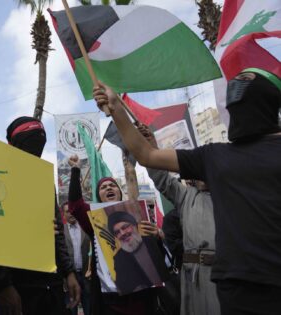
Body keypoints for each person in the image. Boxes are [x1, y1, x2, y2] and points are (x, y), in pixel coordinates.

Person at [93, 68, 281, 315]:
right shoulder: (215, 156)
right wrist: (116, 107)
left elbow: (147, 154)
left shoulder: (222, 156)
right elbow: (147, 155)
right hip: (231, 289)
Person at [0, 116, 80, 315]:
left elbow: (57, 231)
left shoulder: (44, 182)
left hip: (51, 285)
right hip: (18, 286)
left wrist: (69, 272)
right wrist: (3, 284)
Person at [68, 155, 166, 315]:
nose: (108, 188)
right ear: (99, 196)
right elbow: (75, 205)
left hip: (141, 297)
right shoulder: (95, 219)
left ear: (120, 192)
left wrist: (157, 237)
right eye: (103, 187)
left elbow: (156, 258)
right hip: (110, 300)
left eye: (112, 185)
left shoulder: (138, 215)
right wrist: (75, 170)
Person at [139, 123, 219, 314]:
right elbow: (162, 179)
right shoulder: (186, 196)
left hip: (221, 275)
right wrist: (151, 146)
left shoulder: (228, 195)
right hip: (191, 276)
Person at [108, 211, 167, 295]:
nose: (122, 233)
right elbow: (123, 286)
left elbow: (169, 261)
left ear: (135, 225)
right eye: (117, 232)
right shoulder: (118, 258)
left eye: (125, 227)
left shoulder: (152, 240)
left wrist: (161, 236)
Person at [63, 202, 91, 315]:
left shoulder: (87, 227)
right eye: (67, 211)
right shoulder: (60, 231)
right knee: (71, 309)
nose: (71, 213)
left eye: (73, 211)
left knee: (89, 308)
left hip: (86, 276)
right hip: (69, 278)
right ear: (63, 214)